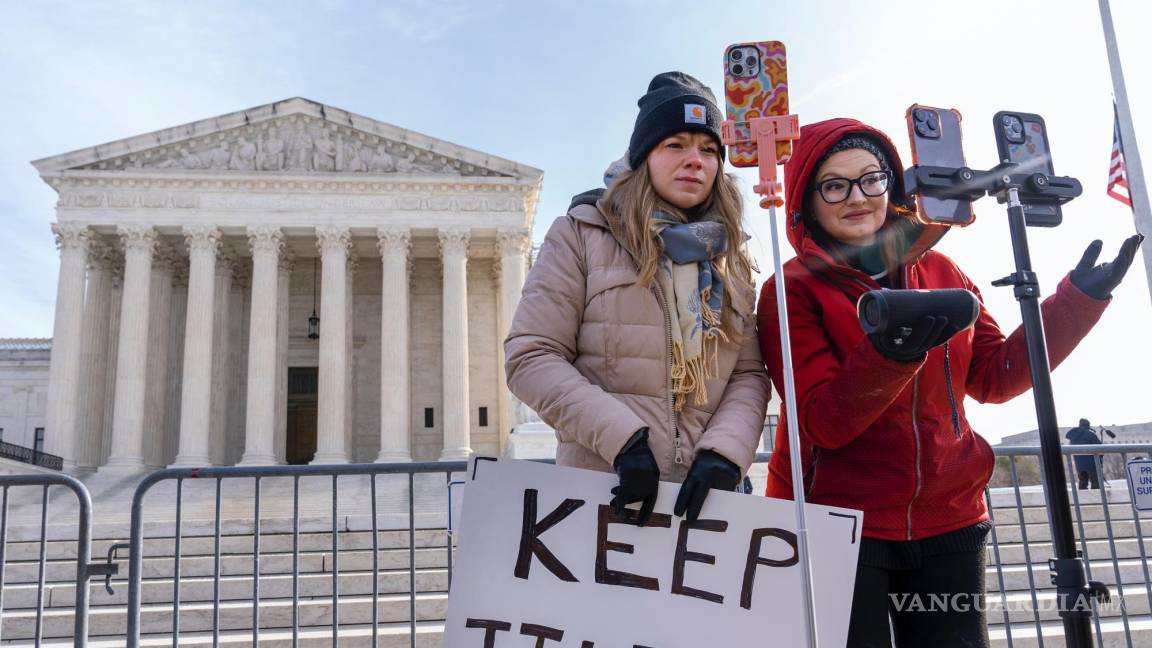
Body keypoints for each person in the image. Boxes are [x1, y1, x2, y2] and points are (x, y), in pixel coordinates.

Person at [757, 117, 1143, 647]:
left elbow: (994, 376)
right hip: (837, 526)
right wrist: (892, 353)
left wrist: (1077, 302)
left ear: (892, 184)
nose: (857, 197)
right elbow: (824, 423)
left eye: (872, 178)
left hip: (951, 520)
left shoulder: (942, 270)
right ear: (806, 198)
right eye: (834, 185)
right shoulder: (789, 290)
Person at [505, 71, 770, 524]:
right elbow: (531, 356)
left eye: (708, 150)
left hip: (707, 509)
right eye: (675, 145)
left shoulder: (730, 258)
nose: (695, 160)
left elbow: (748, 374)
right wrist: (624, 440)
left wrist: (725, 453)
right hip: (604, 492)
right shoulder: (581, 234)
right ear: (643, 156)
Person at [1066, 417, 1105, 489]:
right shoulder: (1090, 434)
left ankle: (1082, 499)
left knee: (1083, 483)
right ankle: (1097, 498)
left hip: (1079, 465)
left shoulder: (1074, 436)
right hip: (1092, 464)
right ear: (1088, 425)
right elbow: (1100, 448)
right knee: (1095, 482)